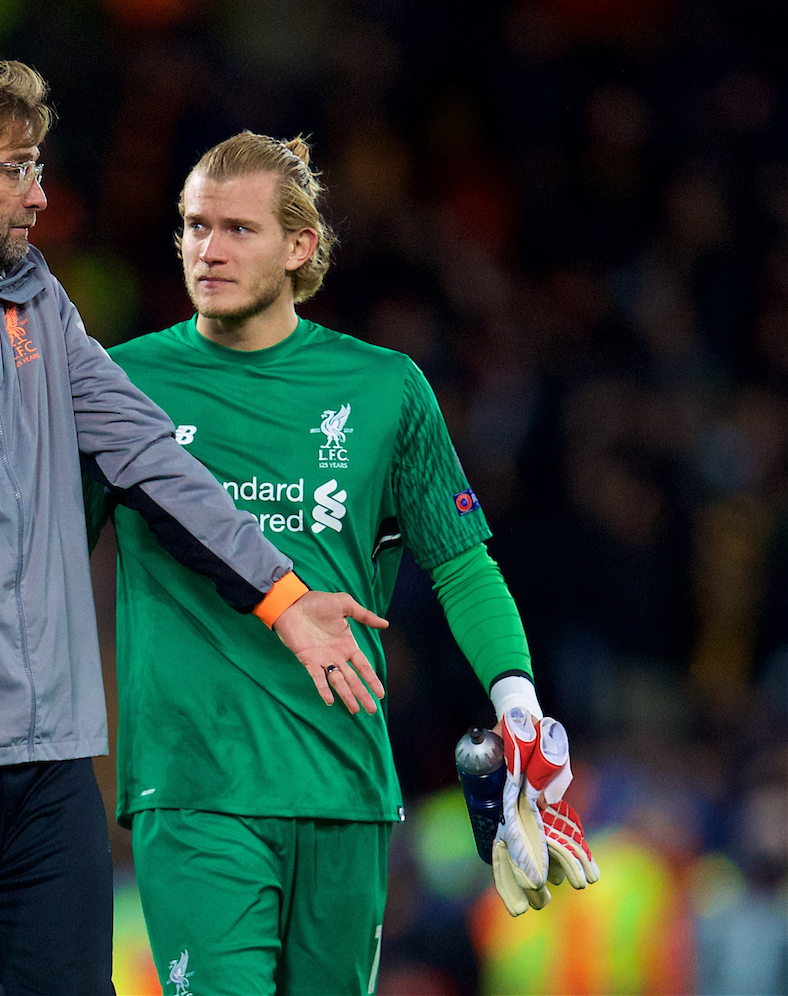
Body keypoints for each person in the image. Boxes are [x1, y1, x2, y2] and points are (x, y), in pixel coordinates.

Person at [0, 55, 389, 996]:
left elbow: (151, 455)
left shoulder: (34, 297)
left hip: (45, 758)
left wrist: (283, 593)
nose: (39, 192)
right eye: (16, 167)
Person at [84, 132, 594, 996]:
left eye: (238, 229)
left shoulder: (385, 389)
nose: (207, 249)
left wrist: (519, 706)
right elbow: (36, 550)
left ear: (300, 247)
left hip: (345, 783)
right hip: (195, 786)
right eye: (194, 227)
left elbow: (462, 565)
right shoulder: (119, 385)